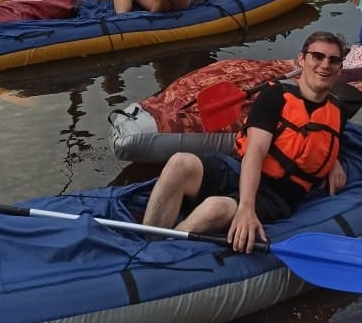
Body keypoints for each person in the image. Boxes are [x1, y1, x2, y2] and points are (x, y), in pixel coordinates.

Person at [142, 31, 349, 252]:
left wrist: (333, 161)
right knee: (180, 163)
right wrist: (246, 209)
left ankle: (161, 254)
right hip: (243, 171)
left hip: (279, 196)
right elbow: (255, 152)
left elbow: (321, 139)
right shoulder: (274, 97)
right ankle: (147, 243)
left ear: (340, 68)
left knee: (215, 208)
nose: (325, 65)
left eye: (333, 60)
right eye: (317, 56)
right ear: (302, 59)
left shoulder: (338, 112)